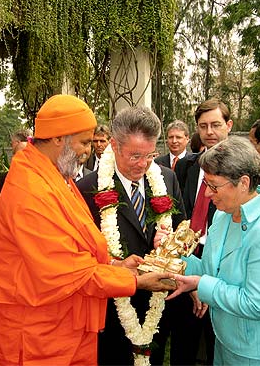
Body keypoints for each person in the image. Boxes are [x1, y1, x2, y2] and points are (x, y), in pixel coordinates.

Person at [0, 94, 174, 365]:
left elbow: (77, 251)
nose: (89, 151)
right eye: (84, 142)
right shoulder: (30, 190)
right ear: (59, 138)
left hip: (62, 327)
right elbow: (63, 272)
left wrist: (115, 266)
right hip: (35, 334)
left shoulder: (54, 177)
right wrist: (135, 281)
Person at [168, 136, 260, 365]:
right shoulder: (223, 215)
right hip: (226, 342)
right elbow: (210, 269)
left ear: (243, 183)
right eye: (206, 184)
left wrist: (201, 284)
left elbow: (255, 304)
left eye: (213, 185)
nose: (207, 194)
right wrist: (174, 250)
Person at [77, 106, 190, 365]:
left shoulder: (167, 179)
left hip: (157, 305)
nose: (143, 164)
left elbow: (182, 230)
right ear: (114, 146)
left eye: (150, 155)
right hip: (111, 310)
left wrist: (169, 243)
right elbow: (81, 256)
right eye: (134, 156)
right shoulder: (87, 189)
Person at [173, 98, 233, 365]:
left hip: (221, 263)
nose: (209, 132)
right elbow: (179, 212)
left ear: (229, 125)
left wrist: (206, 283)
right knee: (184, 337)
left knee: (215, 340)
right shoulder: (187, 166)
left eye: (216, 125)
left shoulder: (242, 170)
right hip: (187, 255)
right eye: (203, 126)